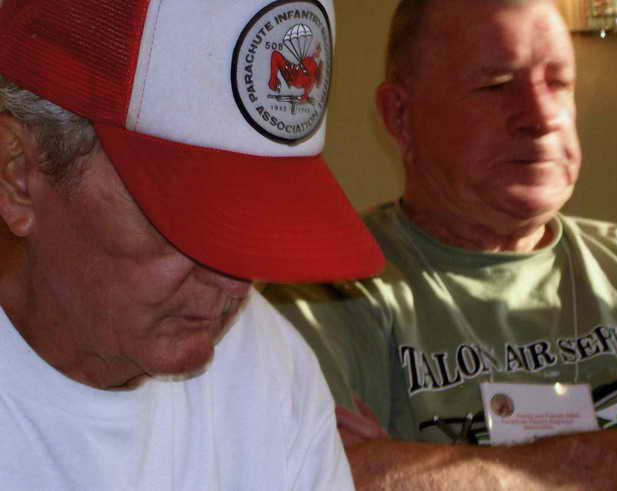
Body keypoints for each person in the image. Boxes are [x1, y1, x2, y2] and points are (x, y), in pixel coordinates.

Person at [263, 0, 617, 489]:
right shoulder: (324, 293)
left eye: (558, 82)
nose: (541, 116)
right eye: (495, 86)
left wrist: (416, 467)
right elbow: (338, 479)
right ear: (400, 117)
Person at [0, 0, 385, 488]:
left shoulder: (269, 369)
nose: (235, 282)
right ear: (18, 173)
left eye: (258, 224)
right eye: (183, 220)